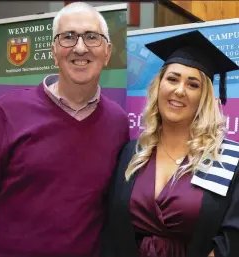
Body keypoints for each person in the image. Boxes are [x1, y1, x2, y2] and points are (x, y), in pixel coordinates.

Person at [0, 2, 129, 257]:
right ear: (54, 50)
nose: (80, 47)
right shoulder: (7, 111)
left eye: (92, 37)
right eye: (68, 37)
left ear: (107, 52)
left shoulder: (118, 122)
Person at [101, 30, 239, 257]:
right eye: (172, 79)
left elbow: (233, 237)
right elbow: (115, 228)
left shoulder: (225, 158)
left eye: (193, 85)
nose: (179, 90)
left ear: (204, 98)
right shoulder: (133, 153)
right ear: (159, 87)